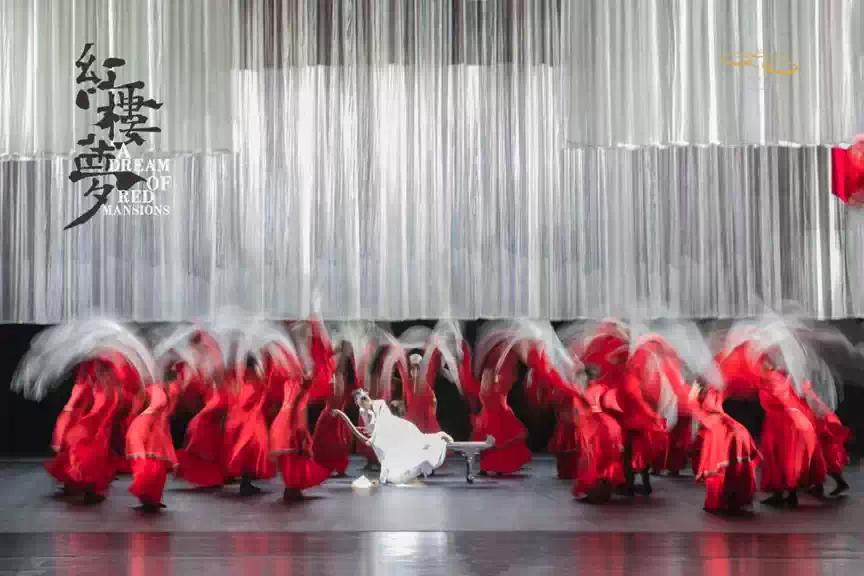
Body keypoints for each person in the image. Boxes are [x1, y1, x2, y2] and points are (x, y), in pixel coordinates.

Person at [688, 382, 760, 515]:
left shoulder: (708, 390)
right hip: (729, 427)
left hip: (718, 430)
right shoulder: (717, 387)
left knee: (717, 466)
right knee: (732, 466)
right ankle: (733, 500)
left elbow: (696, 406)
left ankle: (718, 501)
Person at [270, 352, 331, 501]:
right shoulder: (301, 383)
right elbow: (297, 405)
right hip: (290, 421)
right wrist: (298, 429)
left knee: (294, 458)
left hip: (283, 421)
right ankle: (292, 489)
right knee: (296, 456)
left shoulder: (289, 380)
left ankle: (292, 488)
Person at [471, 342, 532, 475]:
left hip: (496, 406)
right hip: (490, 408)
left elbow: (504, 383)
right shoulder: (490, 369)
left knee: (497, 436)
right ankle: (489, 465)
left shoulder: (502, 370)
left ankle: (496, 466)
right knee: (491, 436)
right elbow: (484, 392)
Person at [126, 370, 180, 512]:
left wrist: (174, 460)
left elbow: (165, 427)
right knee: (147, 465)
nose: (177, 386)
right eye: (175, 382)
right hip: (143, 428)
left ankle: (152, 500)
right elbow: (141, 406)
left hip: (154, 429)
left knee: (157, 468)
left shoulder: (163, 393)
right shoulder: (156, 390)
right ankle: (147, 499)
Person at [223, 357, 275, 496]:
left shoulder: (243, 382)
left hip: (244, 423)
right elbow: (248, 401)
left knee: (249, 454)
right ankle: (245, 483)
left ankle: (246, 483)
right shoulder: (250, 384)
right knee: (250, 452)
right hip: (249, 425)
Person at [312, 368, 354, 477]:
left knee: (329, 437)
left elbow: (337, 395)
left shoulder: (337, 373)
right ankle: (333, 466)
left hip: (332, 409)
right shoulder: (337, 374)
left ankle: (329, 465)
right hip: (334, 408)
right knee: (332, 437)